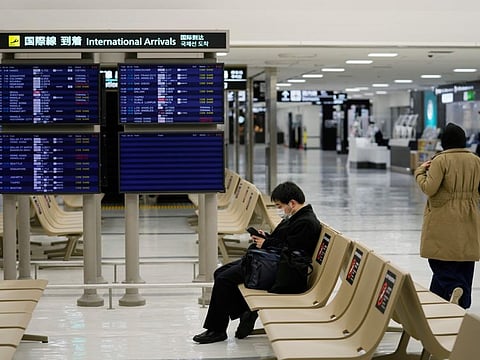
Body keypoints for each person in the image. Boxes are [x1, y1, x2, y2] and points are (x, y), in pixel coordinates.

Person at [192, 181, 322, 344]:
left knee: (224, 279)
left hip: (283, 272)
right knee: (220, 273)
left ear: (292, 203)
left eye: (279, 206)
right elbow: (285, 242)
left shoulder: (306, 222)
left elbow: (294, 252)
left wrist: (266, 243)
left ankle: (218, 330)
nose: (278, 210)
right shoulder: (296, 217)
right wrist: (266, 237)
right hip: (274, 263)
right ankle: (245, 311)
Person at [414, 123, 480, 309]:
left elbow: (429, 188)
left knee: (438, 260)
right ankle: (451, 304)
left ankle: (454, 288)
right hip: (469, 216)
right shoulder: (476, 160)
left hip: (443, 217)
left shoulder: (440, 160)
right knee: (463, 261)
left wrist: (420, 172)